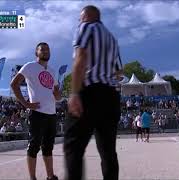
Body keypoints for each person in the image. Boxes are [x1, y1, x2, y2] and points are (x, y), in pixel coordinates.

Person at [64, 5, 123, 180]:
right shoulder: (112, 39)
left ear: (87, 16)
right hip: (110, 95)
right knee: (108, 151)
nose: (79, 20)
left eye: (80, 17)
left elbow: (81, 59)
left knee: (73, 146)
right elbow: (119, 72)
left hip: (89, 92)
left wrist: (74, 93)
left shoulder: (86, 27)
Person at [10, 42, 61, 180]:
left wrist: (58, 95)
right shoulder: (30, 66)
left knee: (48, 148)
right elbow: (14, 84)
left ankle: (50, 176)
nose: (45, 51)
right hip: (37, 113)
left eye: (47, 49)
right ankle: (32, 178)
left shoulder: (52, 71)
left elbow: (57, 94)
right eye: (42, 49)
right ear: (36, 53)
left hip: (52, 114)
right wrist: (26, 104)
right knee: (33, 147)